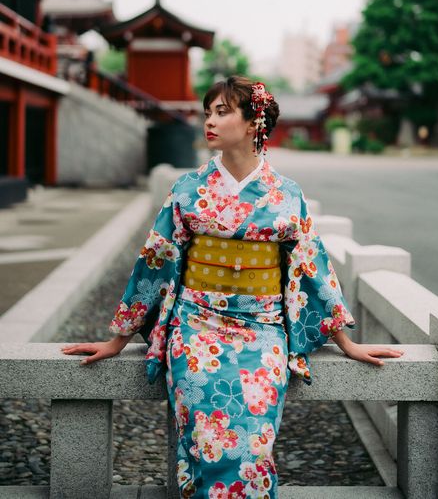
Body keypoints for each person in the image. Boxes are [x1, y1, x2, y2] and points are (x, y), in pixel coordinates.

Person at [62, 76, 403, 498]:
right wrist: (117, 339)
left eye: (222, 111)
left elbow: (309, 267)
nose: (209, 120)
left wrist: (347, 343)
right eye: (207, 112)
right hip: (196, 326)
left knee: (254, 444)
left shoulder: (286, 194)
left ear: (252, 122)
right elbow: (156, 259)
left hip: (262, 330)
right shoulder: (188, 189)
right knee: (206, 439)